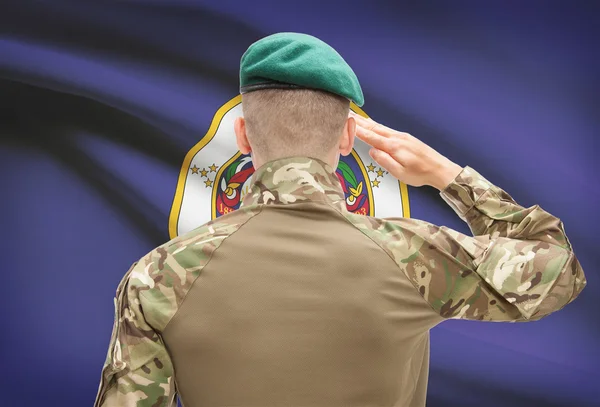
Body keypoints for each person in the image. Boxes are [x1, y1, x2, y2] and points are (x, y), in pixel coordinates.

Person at [94, 32, 587, 407]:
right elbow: (558, 269)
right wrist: (448, 176)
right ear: (349, 137)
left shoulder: (157, 276)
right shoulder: (415, 256)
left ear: (242, 136)